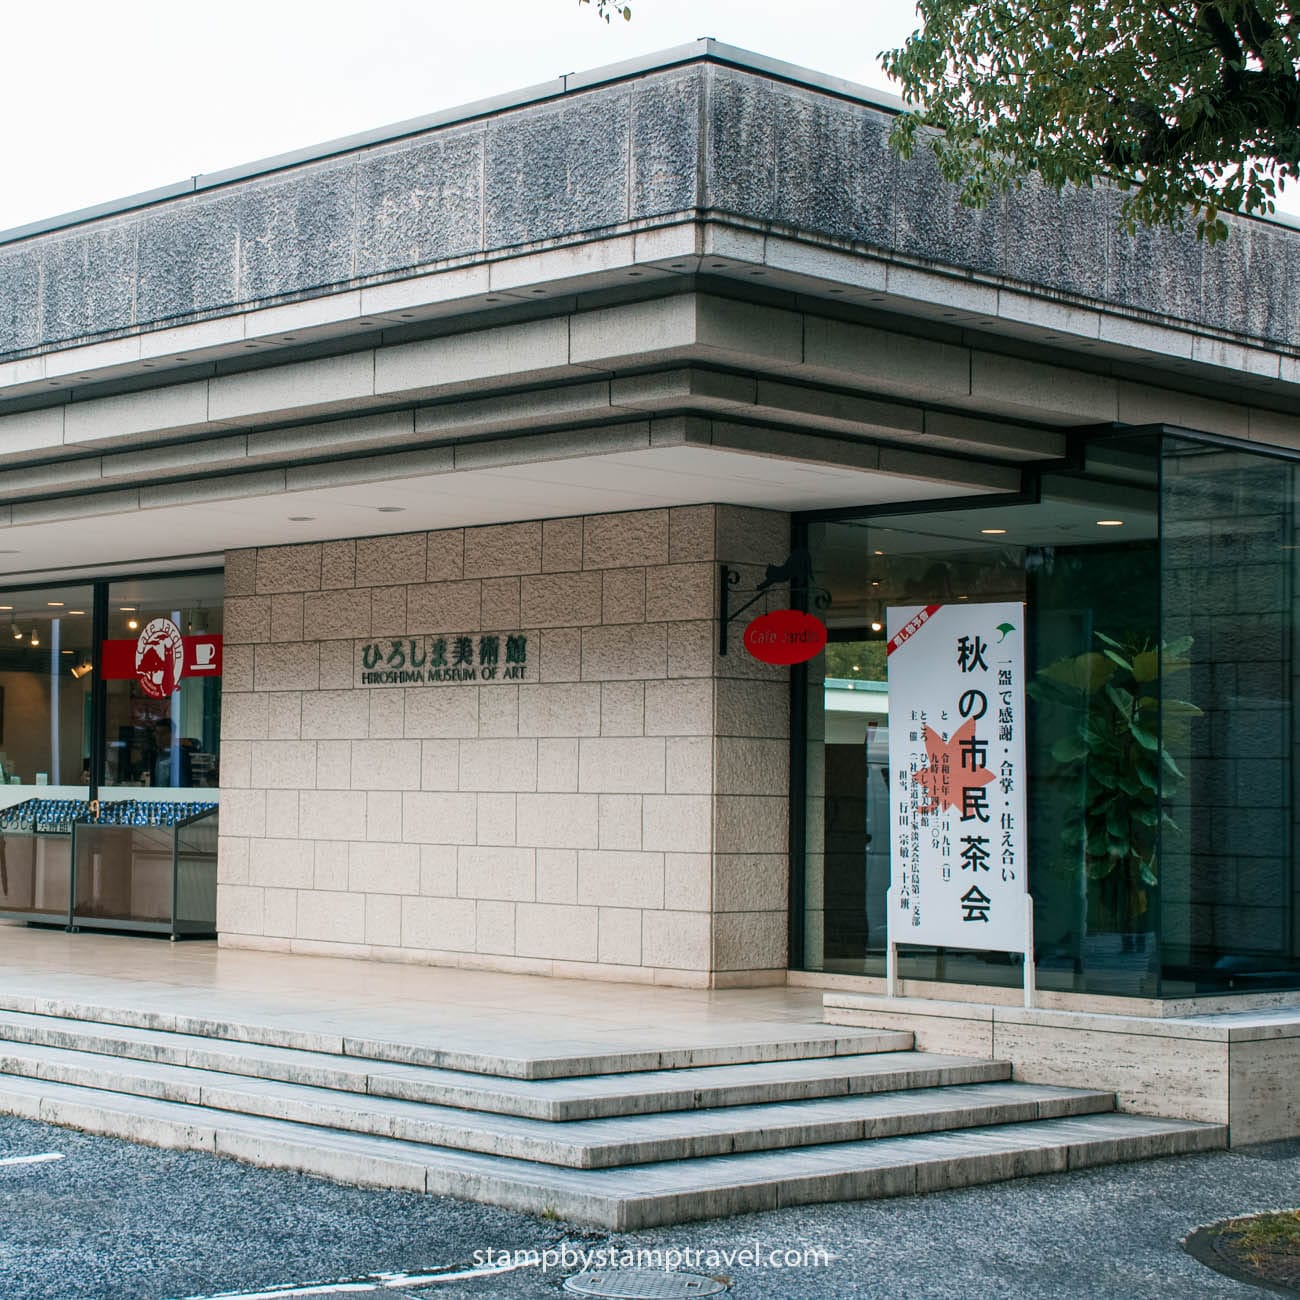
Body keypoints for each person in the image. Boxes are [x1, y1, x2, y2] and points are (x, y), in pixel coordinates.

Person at [151, 718, 192, 788]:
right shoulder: (153, 754)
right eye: (157, 733)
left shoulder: (180, 755)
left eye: (163, 733)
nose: (159, 737)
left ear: (172, 735)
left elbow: (184, 783)